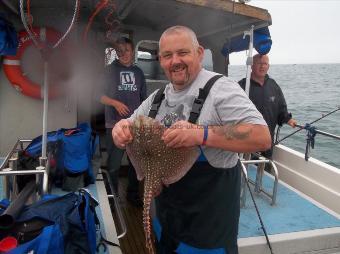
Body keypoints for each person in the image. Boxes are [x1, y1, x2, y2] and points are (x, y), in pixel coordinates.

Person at [112, 26, 271, 254]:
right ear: (161, 59)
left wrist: (200, 134)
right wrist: (121, 127)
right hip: (166, 223)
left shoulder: (221, 89)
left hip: (207, 234)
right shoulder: (157, 98)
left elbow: (261, 136)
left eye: (183, 52)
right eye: (167, 55)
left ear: (199, 53)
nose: (175, 61)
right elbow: (130, 122)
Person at [100, 37, 147, 207]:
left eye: (126, 50)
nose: (123, 53)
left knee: (136, 165)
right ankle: (111, 198)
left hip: (134, 127)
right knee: (113, 165)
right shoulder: (108, 71)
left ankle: (133, 195)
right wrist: (115, 103)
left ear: (132, 50)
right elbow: (98, 96)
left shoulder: (139, 73)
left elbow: (144, 100)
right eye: (120, 50)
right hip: (114, 126)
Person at [239, 54, 297, 159]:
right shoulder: (242, 86)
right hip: (246, 143)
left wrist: (288, 119)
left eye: (265, 64)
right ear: (251, 66)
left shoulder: (273, 85)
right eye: (259, 63)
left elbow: (281, 107)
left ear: (268, 66)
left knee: (266, 169)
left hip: (267, 142)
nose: (262, 66)